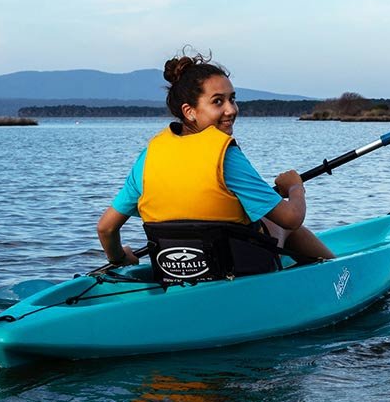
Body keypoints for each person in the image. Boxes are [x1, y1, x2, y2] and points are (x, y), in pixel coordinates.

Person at [97, 52, 333, 281]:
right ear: (189, 111)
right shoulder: (226, 156)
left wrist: (120, 258)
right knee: (277, 222)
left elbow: (106, 229)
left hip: (175, 271)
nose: (231, 110)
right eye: (218, 101)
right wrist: (295, 188)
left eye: (232, 99)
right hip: (239, 271)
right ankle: (337, 273)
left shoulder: (148, 157)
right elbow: (291, 219)